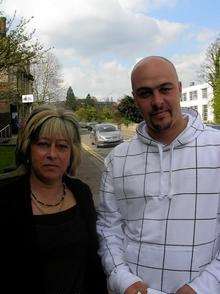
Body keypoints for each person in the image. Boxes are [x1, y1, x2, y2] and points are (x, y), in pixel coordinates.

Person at [96, 56, 220, 294]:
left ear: (180, 89)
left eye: (165, 89)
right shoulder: (117, 159)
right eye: (145, 93)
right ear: (135, 98)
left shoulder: (216, 149)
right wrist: (123, 280)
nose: (157, 101)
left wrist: (202, 287)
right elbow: (108, 227)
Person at [0, 105, 107, 294]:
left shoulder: (81, 193)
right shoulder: (6, 197)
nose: (52, 154)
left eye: (62, 146)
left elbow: (93, 263)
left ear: (71, 152)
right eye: (43, 144)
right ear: (28, 147)